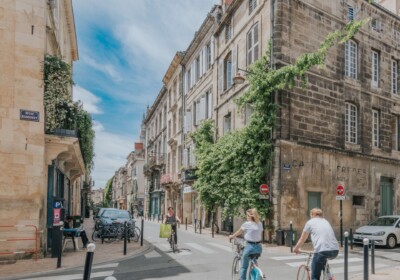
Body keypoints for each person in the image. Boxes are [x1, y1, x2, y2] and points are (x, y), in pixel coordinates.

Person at [294, 208, 339, 280]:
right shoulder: (325, 221)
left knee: (315, 276)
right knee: (322, 261)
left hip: (322, 251)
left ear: (312, 215)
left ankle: (327, 276)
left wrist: (296, 249)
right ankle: (329, 276)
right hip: (335, 250)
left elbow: (303, 238)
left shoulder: (310, 222)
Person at [228, 208, 263, 280]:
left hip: (250, 247)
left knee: (244, 266)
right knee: (253, 259)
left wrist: (232, 236)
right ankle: (257, 270)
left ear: (249, 216)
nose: (246, 217)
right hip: (259, 247)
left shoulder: (247, 224)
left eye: (247, 215)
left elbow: (239, 232)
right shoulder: (260, 224)